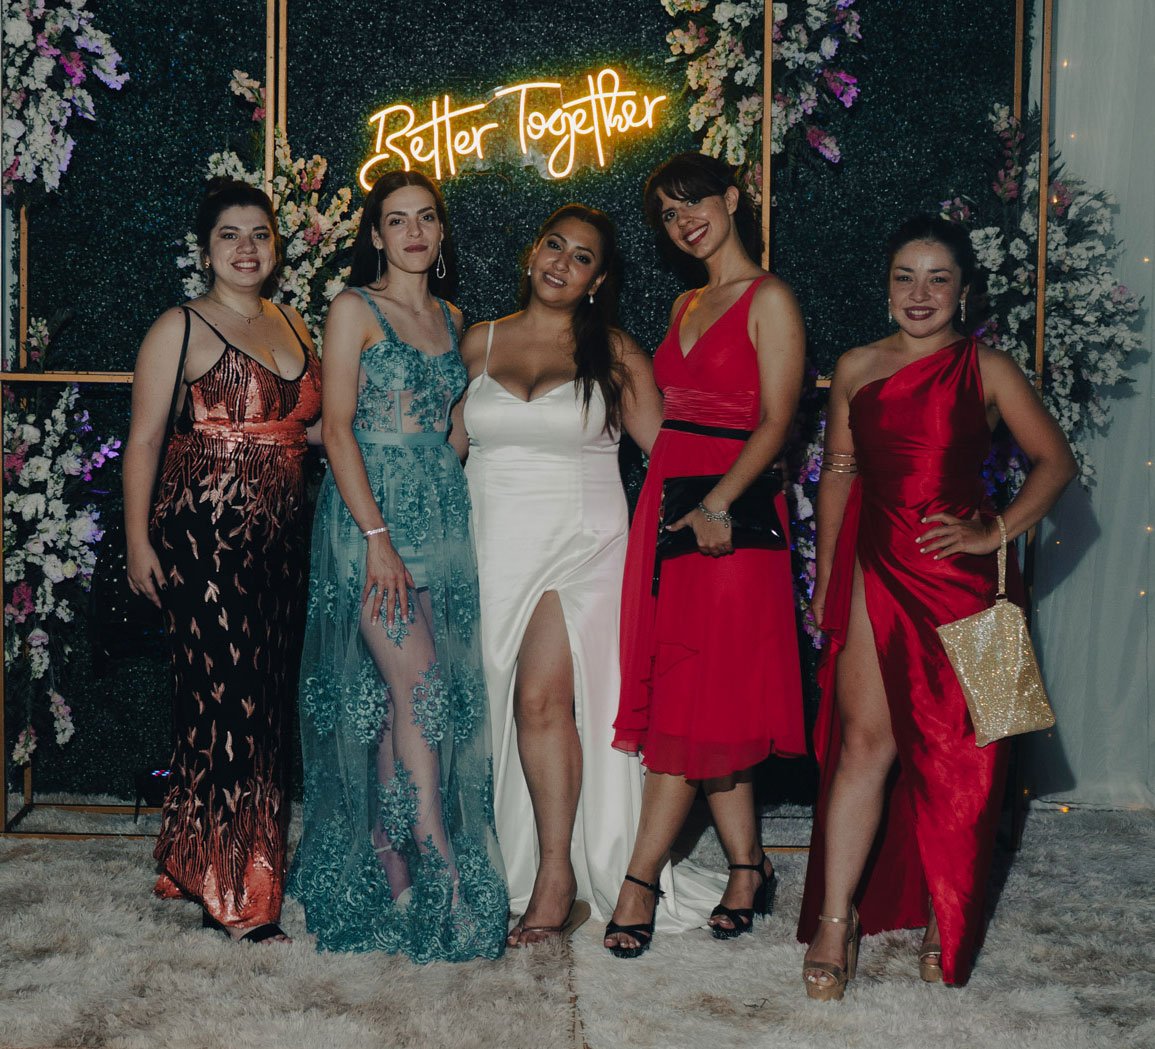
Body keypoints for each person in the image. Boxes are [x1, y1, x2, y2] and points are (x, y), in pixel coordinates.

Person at [797, 214, 1077, 998]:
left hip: (968, 582)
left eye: (937, 278)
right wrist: (827, 577)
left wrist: (995, 531)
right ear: (886, 285)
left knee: (969, 755)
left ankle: (944, 913)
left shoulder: (987, 367)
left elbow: (1055, 461)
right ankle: (834, 919)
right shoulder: (855, 365)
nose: (918, 294)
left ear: (962, 292)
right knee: (864, 746)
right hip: (876, 572)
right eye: (904, 277)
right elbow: (840, 473)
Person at [461, 203, 722, 947]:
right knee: (495, 708)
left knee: (540, 699)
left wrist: (729, 496)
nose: (562, 264)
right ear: (531, 253)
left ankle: (557, 878)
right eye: (554, 246)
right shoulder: (477, 341)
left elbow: (667, 453)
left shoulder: (615, 352)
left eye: (582, 258)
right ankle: (507, 859)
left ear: (597, 280)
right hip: (491, 547)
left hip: (585, 545)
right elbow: (445, 444)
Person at [288, 170, 507, 962]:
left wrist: (445, 472)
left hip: (439, 522)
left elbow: (455, 426)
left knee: (398, 705)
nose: (413, 232)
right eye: (396, 220)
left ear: (440, 233)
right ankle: (440, 868)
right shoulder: (354, 308)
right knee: (420, 688)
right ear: (375, 235)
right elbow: (337, 428)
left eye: (425, 219)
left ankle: (393, 862)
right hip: (367, 524)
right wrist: (377, 534)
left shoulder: (454, 319)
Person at [605, 152, 807, 958]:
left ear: (731, 197)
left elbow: (778, 419)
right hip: (671, 501)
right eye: (667, 212)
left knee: (694, 689)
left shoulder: (770, 298)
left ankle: (639, 880)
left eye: (693, 202)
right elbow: (668, 418)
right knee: (700, 689)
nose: (683, 221)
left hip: (730, 511)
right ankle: (748, 867)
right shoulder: (685, 300)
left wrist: (718, 503)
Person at [125, 178, 321, 943]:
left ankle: (192, 855)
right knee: (225, 705)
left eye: (259, 234)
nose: (246, 247)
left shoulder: (291, 320)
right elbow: (145, 439)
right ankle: (237, 892)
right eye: (230, 235)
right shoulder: (178, 326)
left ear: (276, 246)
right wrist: (137, 540)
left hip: (280, 543)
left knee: (261, 706)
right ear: (205, 249)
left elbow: (307, 429)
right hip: (202, 539)